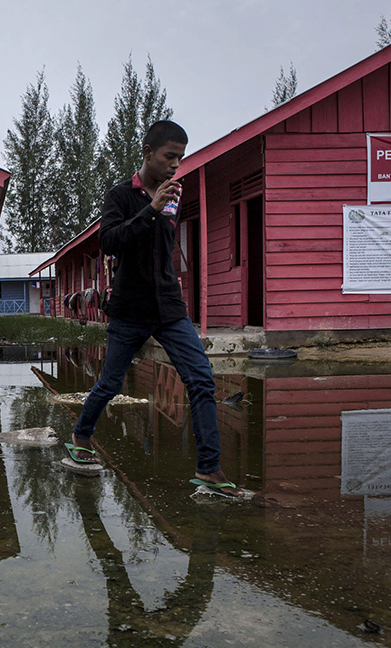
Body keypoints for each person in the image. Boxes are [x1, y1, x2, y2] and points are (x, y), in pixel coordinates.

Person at [67, 120, 244, 497]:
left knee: (201, 378)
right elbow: (110, 242)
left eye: (180, 158)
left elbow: (162, 248)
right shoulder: (120, 196)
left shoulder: (174, 195)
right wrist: (151, 208)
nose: (175, 165)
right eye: (169, 156)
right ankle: (81, 434)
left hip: (169, 308)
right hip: (129, 308)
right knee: (111, 382)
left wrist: (161, 206)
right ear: (148, 153)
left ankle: (209, 467)